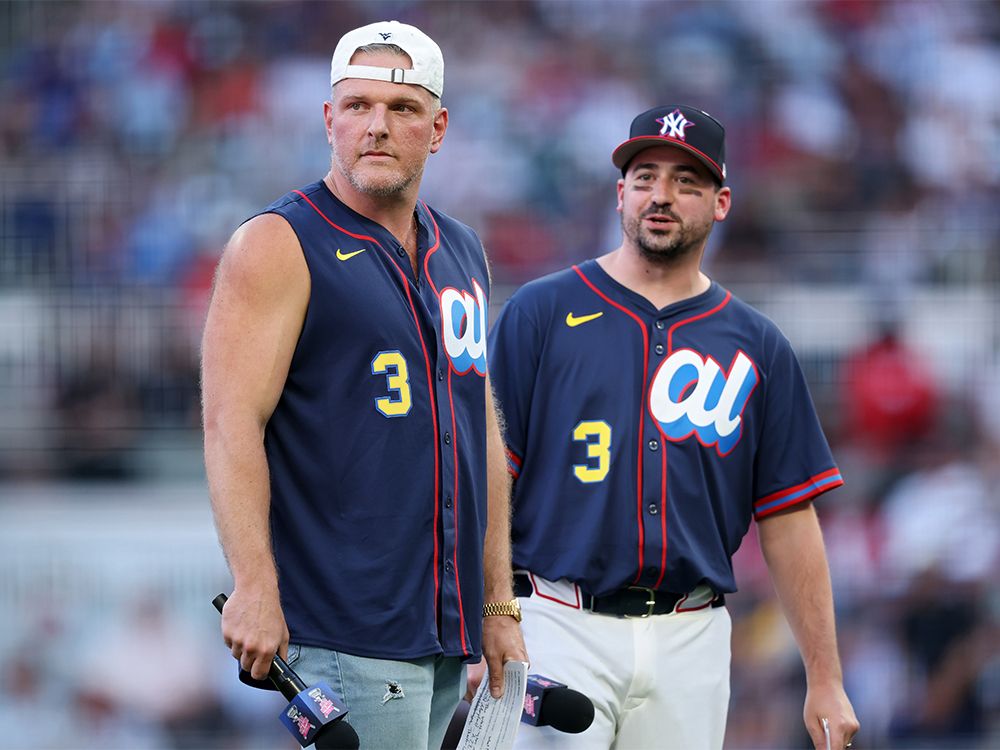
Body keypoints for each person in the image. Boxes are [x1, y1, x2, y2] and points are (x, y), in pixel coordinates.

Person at [487, 105, 860, 749]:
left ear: (720, 203)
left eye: (687, 181)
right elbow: (488, 481)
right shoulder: (541, 312)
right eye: (645, 176)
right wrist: (486, 614)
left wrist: (825, 677)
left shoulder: (757, 346)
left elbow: (790, 517)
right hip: (552, 618)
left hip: (693, 634)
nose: (661, 195)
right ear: (620, 195)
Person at [201, 20, 526, 749]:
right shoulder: (278, 242)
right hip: (347, 623)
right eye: (357, 106)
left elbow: (479, 427)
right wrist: (253, 585)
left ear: (437, 128)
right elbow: (230, 424)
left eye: (402, 108)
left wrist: (499, 604)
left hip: (444, 627)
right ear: (328, 120)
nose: (376, 126)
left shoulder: (463, 249)